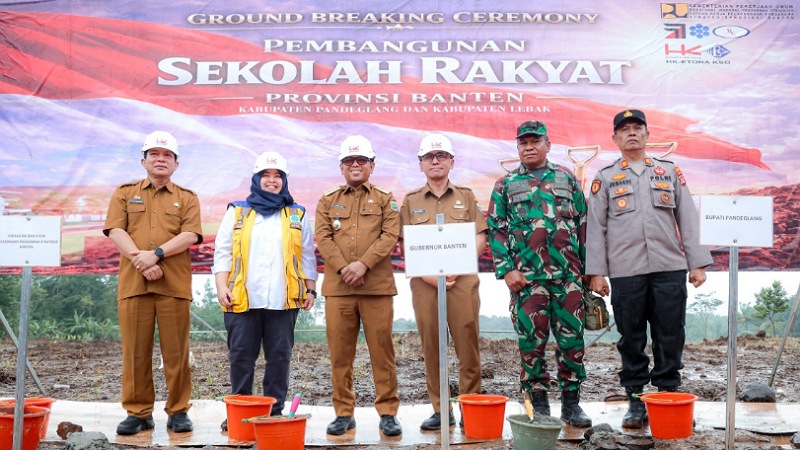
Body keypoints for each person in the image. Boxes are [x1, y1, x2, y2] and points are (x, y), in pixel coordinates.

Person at [585, 109, 713, 428]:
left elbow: (688, 217)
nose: (631, 133)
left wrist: (696, 262)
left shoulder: (668, 172)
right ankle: (636, 401)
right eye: (624, 129)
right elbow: (595, 228)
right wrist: (596, 272)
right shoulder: (605, 177)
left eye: (637, 128)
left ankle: (668, 395)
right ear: (614, 138)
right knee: (630, 337)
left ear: (647, 134)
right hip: (626, 271)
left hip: (669, 267)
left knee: (670, 333)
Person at [487, 121, 592, 428]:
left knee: (572, 341)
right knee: (531, 342)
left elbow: (583, 222)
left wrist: (590, 270)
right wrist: (507, 270)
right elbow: (496, 228)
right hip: (527, 280)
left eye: (535, 141)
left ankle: (572, 404)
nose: (528, 147)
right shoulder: (505, 184)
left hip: (568, 276)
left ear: (548, 144)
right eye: (523, 143)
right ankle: (540, 404)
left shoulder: (566, 178)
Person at [104, 130, 202, 435]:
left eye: (167, 156)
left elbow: (190, 235)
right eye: (155, 155)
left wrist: (156, 255)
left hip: (173, 286)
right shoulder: (124, 192)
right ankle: (138, 413)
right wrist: (141, 261)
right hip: (134, 286)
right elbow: (115, 230)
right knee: (135, 352)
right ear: (143, 160)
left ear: (176, 164)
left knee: (176, 353)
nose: (161, 160)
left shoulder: (187, 197)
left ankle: (178, 411)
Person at [212, 152, 318, 429]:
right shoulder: (237, 211)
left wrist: (311, 289)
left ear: (284, 181)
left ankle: (274, 410)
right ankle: (239, 411)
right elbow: (222, 252)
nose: (271, 181)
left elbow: (307, 254)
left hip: (283, 300)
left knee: (279, 356)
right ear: (256, 179)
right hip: (241, 298)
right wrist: (221, 286)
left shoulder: (297, 213)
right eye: (266, 176)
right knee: (241, 355)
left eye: (277, 176)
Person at [315, 135, 402, 437]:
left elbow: (389, 236)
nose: (355, 165)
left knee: (382, 351)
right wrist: (343, 267)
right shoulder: (327, 200)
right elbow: (323, 238)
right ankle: (343, 413)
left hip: (376, 288)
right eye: (349, 161)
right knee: (340, 354)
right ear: (341, 167)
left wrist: (363, 264)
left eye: (361, 161)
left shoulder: (385, 199)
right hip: (338, 289)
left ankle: (388, 413)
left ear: (371, 165)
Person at [399, 133, 486, 430]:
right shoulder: (411, 202)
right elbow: (404, 244)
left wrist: (458, 267)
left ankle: (470, 404)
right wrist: (427, 274)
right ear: (421, 164)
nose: (435, 161)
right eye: (428, 157)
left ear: (451, 161)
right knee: (432, 345)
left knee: (467, 343)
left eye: (441, 156)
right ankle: (441, 410)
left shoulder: (466, 196)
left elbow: (480, 235)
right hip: (424, 284)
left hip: (461, 281)